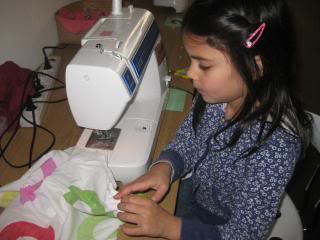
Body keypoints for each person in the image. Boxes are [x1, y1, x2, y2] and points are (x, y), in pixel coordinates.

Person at [114, 0, 312, 239]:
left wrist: (170, 227)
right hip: (197, 195)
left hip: (219, 227)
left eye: (204, 65)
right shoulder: (215, 98)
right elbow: (189, 139)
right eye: (191, 60)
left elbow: (246, 233)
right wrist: (165, 167)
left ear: (254, 68)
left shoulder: (276, 148)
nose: (190, 73)